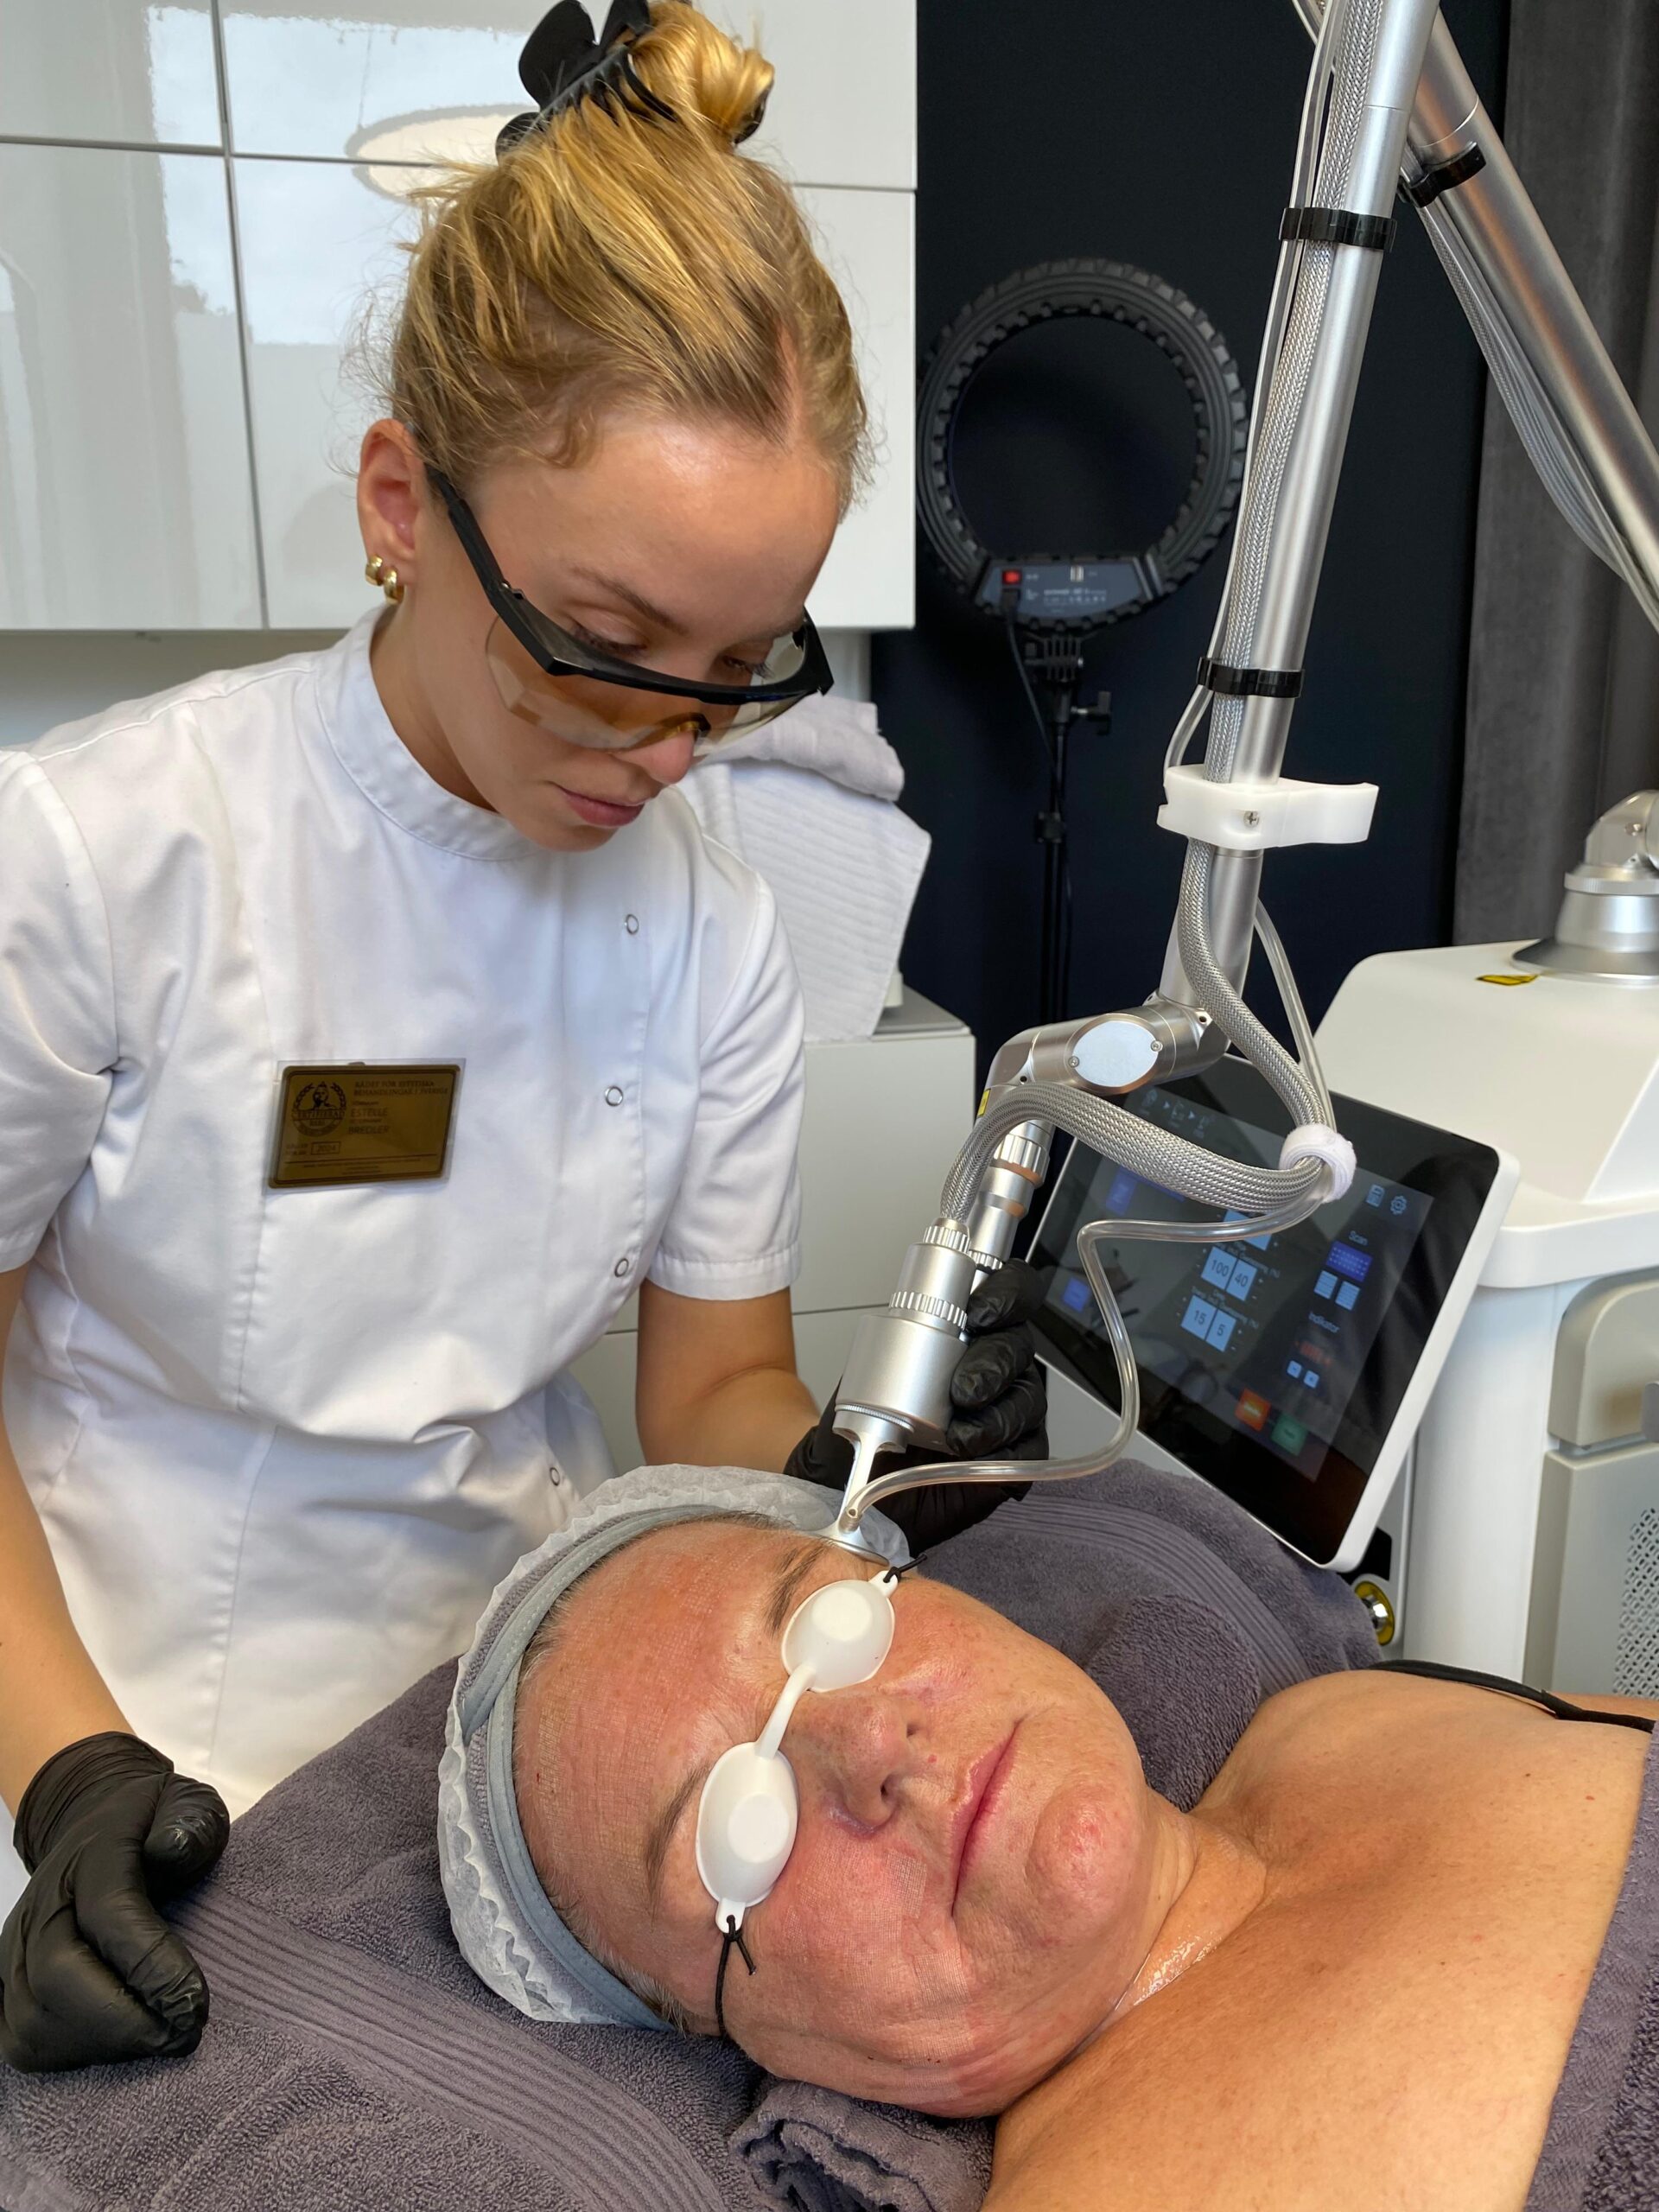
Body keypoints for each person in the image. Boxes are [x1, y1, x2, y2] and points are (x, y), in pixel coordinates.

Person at [0, 0, 1043, 2074]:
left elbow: (711, 1387)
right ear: (404, 501)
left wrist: (853, 1465)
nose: (661, 747)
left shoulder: (710, 926)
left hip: (500, 1722)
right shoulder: (109, 853)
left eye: (734, 670)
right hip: (102, 1713)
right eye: (602, 645)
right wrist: (63, 1776)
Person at [495, 1502, 1658, 2212]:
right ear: (734, 2032)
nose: (869, 1742)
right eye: (739, 1823)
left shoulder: (1344, 1719)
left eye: (824, 1623)